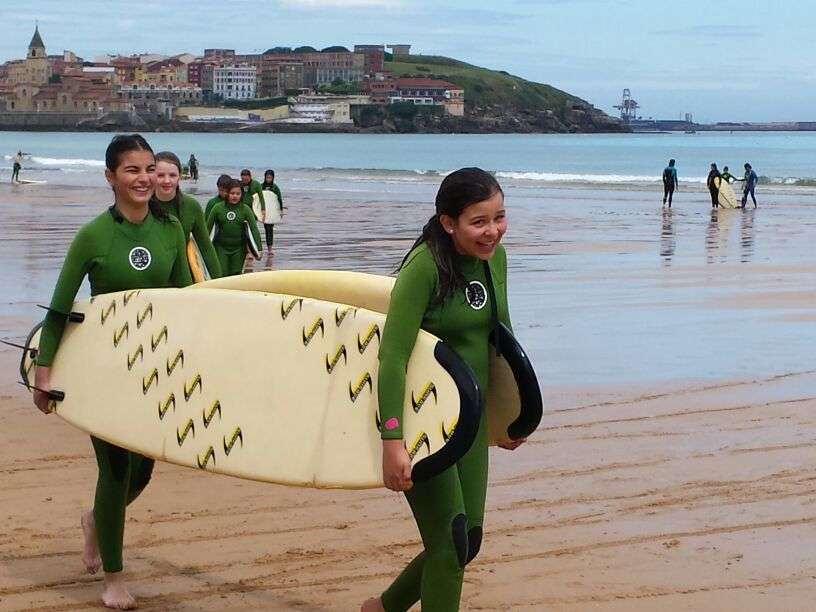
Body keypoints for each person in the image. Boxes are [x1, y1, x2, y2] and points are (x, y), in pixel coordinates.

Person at [32, 134, 192, 610]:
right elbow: (60, 307)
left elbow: (188, 305)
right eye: (131, 170)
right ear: (110, 177)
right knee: (116, 467)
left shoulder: (169, 231)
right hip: (103, 370)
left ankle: (97, 520)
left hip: (152, 367)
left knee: (144, 471)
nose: (144, 179)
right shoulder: (93, 236)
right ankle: (115, 579)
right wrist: (43, 373)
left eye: (149, 169)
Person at [362, 168, 526, 612]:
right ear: (447, 222)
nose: (492, 231)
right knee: (449, 543)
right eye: (479, 221)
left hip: (470, 422)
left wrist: (511, 414)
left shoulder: (496, 259)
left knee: (466, 540)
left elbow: (501, 339)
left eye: (499, 217)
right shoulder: (424, 268)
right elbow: (392, 357)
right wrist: (392, 440)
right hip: (423, 422)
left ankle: (383, 608)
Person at [153, 151, 221, 279]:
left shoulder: (191, 206)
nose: (167, 180)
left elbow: (206, 247)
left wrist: (218, 282)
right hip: (151, 279)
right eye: (160, 175)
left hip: (184, 277)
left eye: (172, 175)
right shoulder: (142, 205)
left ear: (180, 176)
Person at [206, 178, 262, 276]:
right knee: (221, 273)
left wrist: (259, 248)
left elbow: (254, 229)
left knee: (235, 273)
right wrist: (203, 248)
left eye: (238, 193)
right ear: (227, 193)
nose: (235, 196)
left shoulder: (245, 210)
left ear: (241, 195)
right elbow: (207, 228)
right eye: (232, 193)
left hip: (239, 248)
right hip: (220, 247)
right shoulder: (217, 208)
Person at [261, 169, 284, 249]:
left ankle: (269, 248)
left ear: (273, 178)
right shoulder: (261, 186)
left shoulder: (275, 187)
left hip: (272, 211)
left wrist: (280, 210)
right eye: (267, 177)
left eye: (270, 177)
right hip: (262, 210)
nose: (268, 179)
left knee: (269, 229)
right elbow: (257, 198)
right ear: (265, 177)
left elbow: (279, 199)